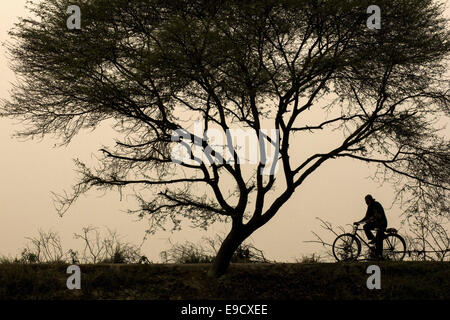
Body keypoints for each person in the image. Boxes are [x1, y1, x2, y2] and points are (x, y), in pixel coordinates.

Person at [354, 195, 388, 259]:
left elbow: (379, 215)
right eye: (365, 201)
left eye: (367, 201)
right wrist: (359, 222)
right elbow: (366, 217)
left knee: (379, 239)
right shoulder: (370, 207)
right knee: (366, 227)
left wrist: (372, 218)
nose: (366, 202)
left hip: (382, 223)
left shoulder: (377, 204)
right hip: (376, 223)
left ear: (370, 200)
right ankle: (373, 239)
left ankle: (379, 255)